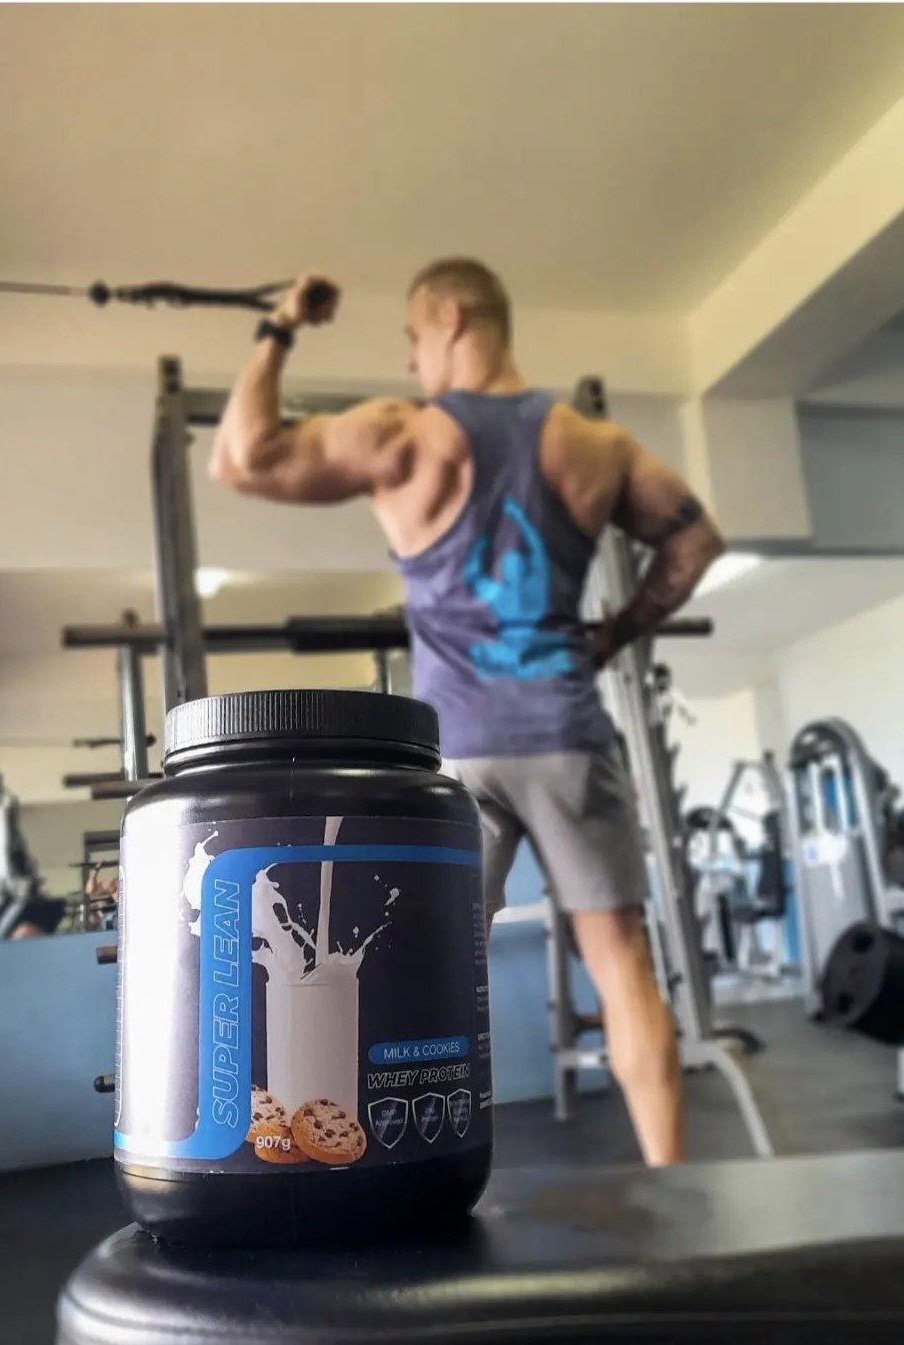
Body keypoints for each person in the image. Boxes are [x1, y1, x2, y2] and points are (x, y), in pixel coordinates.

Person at [210, 259, 724, 1166]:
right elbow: (695, 541)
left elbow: (239, 458)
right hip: (564, 736)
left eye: (413, 341)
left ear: (448, 317)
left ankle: (417, 1177)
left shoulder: (405, 435)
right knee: (623, 968)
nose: (412, 363)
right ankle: (674, 1185)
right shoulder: (594, 444)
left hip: (456, 756)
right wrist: (615, 633)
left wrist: (281, 323)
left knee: (438, 972)